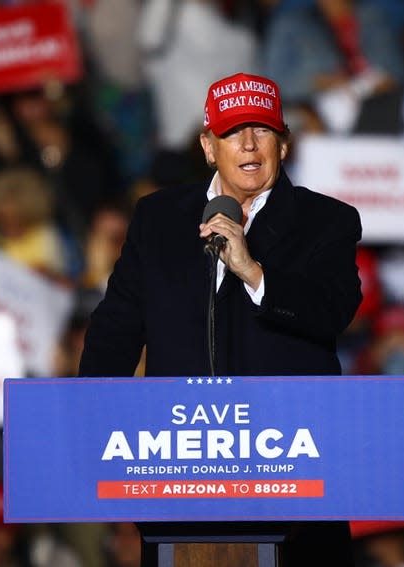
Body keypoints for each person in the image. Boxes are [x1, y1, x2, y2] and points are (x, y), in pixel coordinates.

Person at [80, 71, 362, 566]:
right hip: (181, 480)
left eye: (263, 131)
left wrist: (253, 271)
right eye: (233, 132)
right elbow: (116, 330)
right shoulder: (158, 218)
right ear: (209, 147)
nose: (249, 145)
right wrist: (85, 419)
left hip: (292, 484)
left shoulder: (327, 221)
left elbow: (333, 310)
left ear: (284, 144)